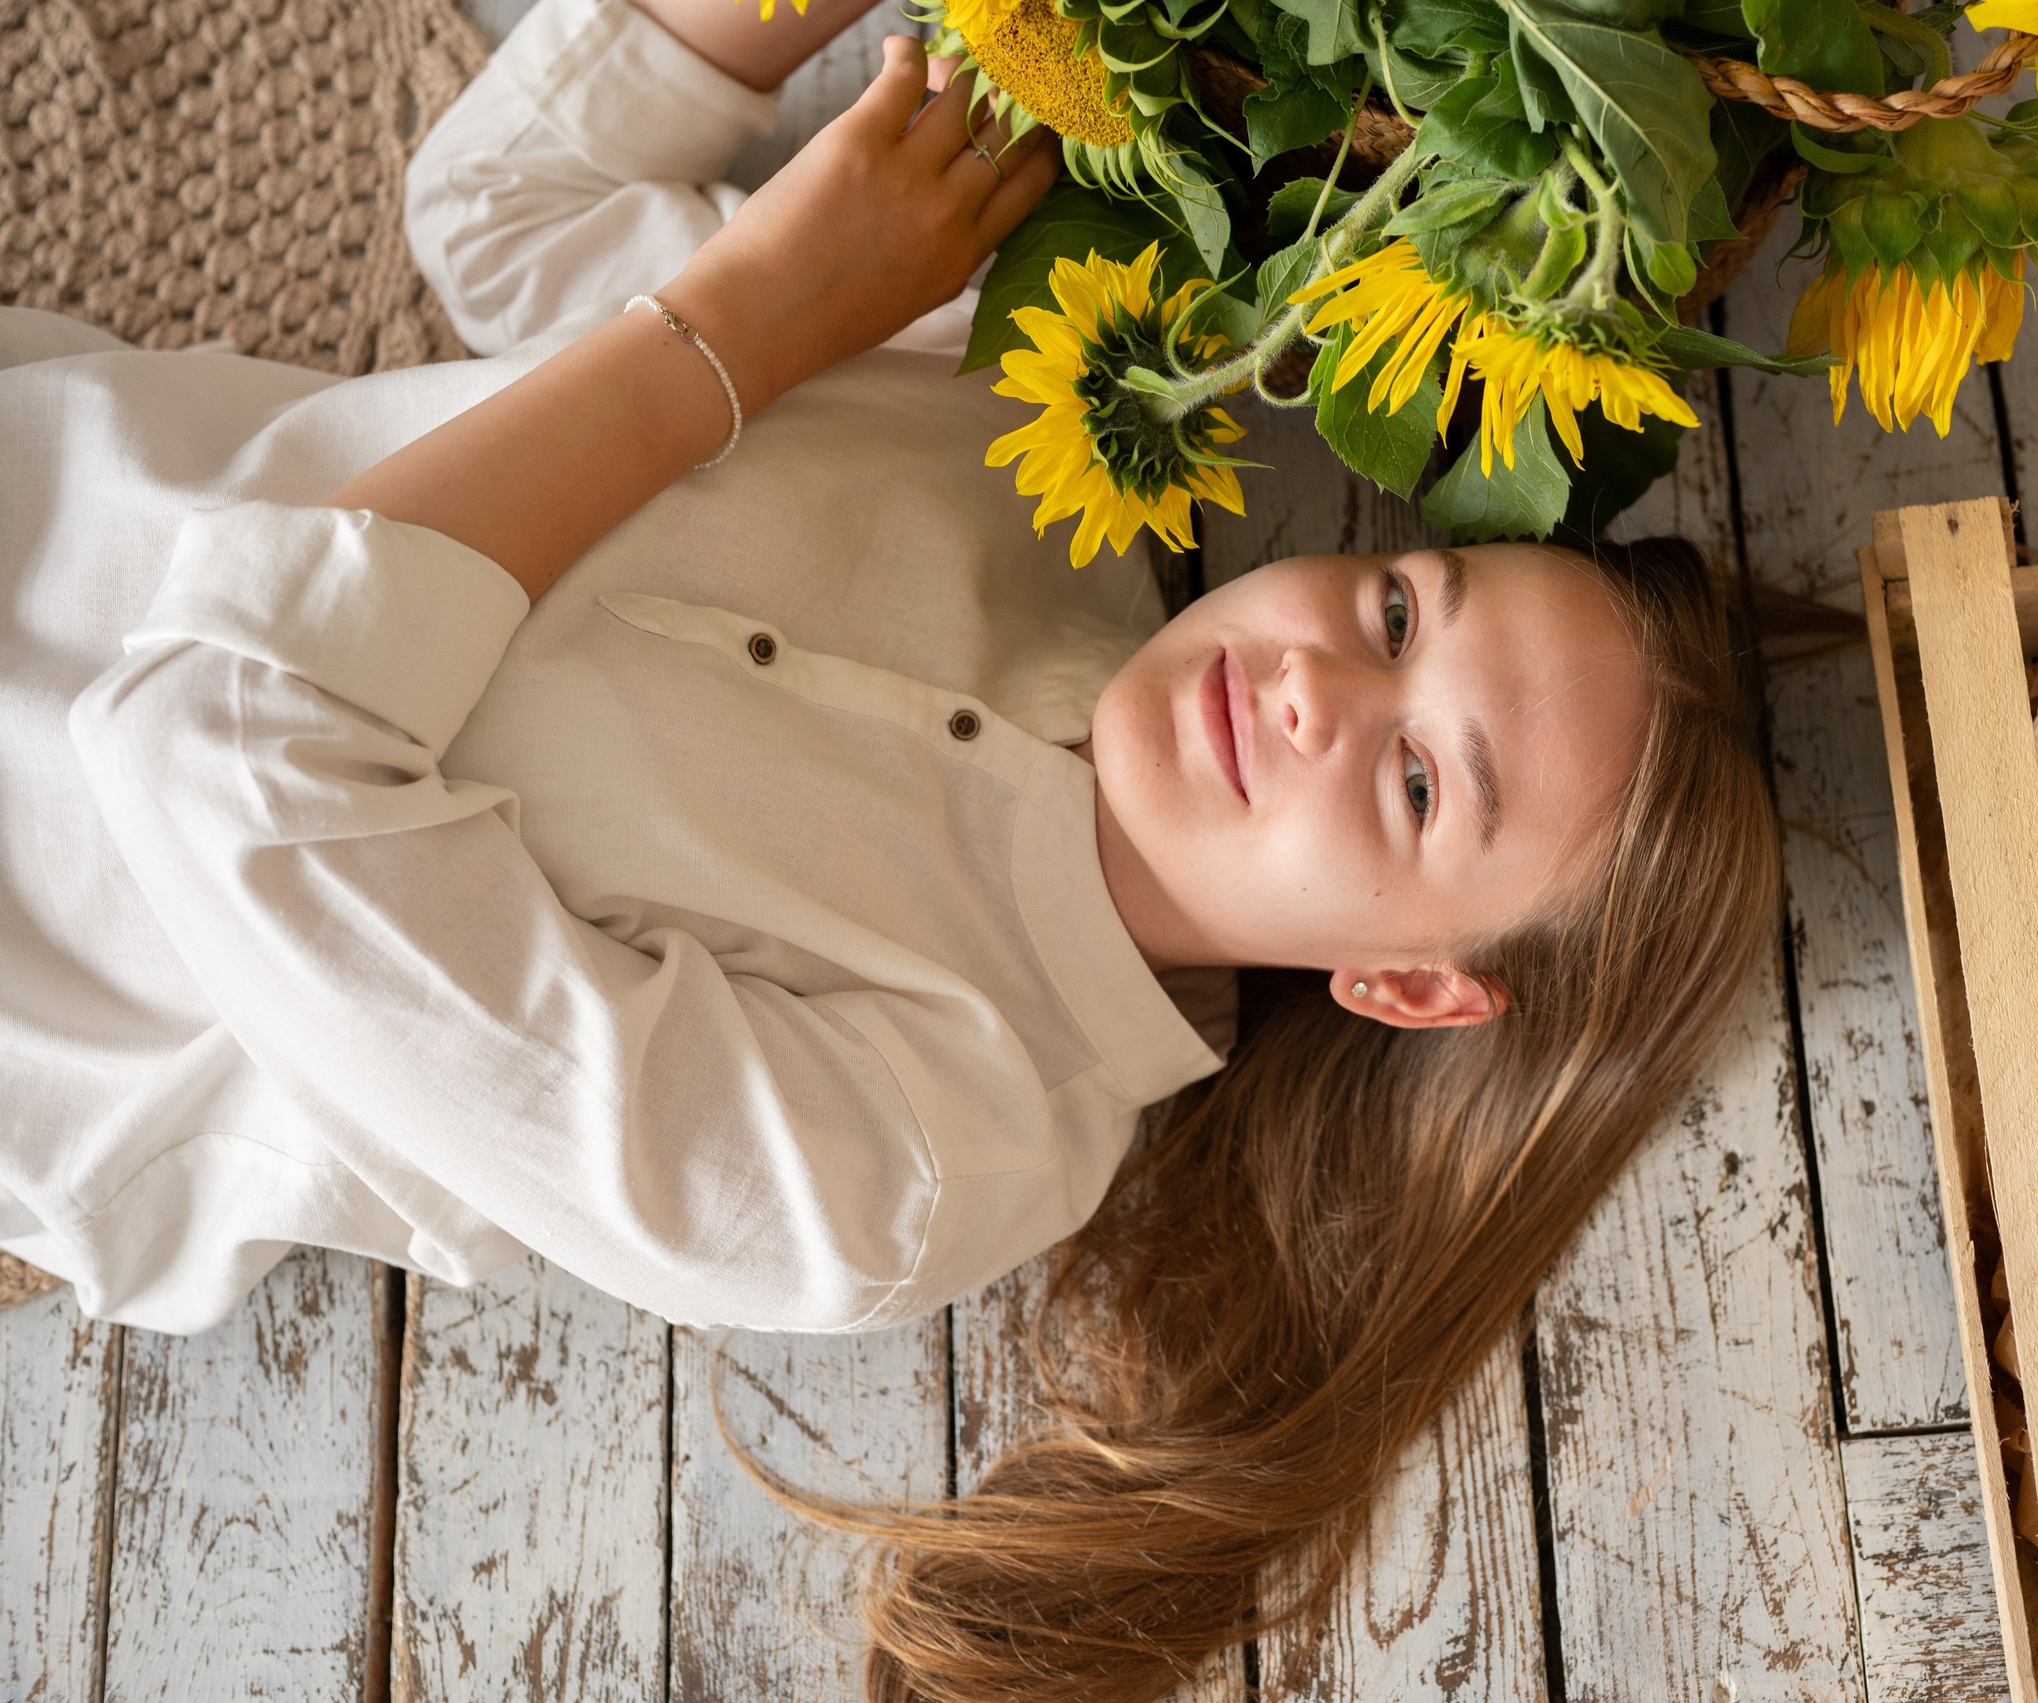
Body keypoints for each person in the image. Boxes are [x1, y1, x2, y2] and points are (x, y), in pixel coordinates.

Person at [0, 0, 1781, 1693]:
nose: (1314, 680)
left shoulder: (907, 1162)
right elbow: (505, 222)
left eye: (1416, 786)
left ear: (1400, 984)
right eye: (1399, 608)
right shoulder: (1049, 443)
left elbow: (210, 747)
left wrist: (749, 328)